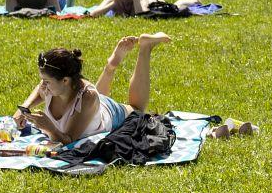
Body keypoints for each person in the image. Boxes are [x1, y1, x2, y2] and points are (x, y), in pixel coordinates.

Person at [13, 36, 169, 144]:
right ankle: (111, 66)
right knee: (96, 98)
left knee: (138, 110)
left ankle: (145, 47)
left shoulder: (87, 96)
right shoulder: (51, 87)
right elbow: (38, 90)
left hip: (109, 114)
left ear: (65, 80)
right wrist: (25, 107)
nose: (43, 85)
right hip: (91, 106)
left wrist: (49, 127)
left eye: (46, 81)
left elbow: (69, 140)